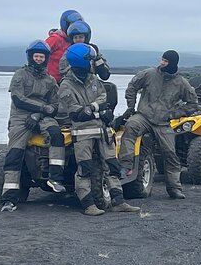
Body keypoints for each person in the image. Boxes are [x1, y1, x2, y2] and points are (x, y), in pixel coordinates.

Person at [58, 43, 140, 216]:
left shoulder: (94, 79)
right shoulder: (66, 85)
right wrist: (99, 112)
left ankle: (118, 201)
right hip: (82, 133)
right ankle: (88, 205)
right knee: (84, 169)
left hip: (103, 131)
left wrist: (93, 108)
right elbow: (76, 113)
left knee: (112, 165)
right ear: (83, 62)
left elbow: (104, 99)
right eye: (91, 60)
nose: (93, 63)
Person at [119, 50, 198, 200]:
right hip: (143, 116)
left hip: (163, 122)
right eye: (162, 60)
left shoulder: (181, 83)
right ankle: (126, 167)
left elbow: (193, 104)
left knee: (170, 153)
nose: (162, 63)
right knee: (130, 128)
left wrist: (173, 114)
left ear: (173, 63)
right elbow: (132, 87)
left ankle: (174, 188)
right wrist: (131, 107)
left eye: (165, 61)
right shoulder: (149, 74)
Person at [0, 40, 66, 212]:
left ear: (45, 58)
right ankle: (9, 198)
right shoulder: (20, 75)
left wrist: (41, 113)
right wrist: (41, 108)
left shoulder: (50, 80)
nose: (38, 59)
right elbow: (17, 99)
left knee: (56, 134)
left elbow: (56, 105)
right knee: (15, 153)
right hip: (21, 117)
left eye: (41, 56)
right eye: (36, 56)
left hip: (42, 117)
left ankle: (55, 178)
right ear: (30, 57)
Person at [45, 9, 83, 82]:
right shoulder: (56, 38)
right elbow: (41, 51)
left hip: (69, 80)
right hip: (52, 82)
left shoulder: (75, 41)